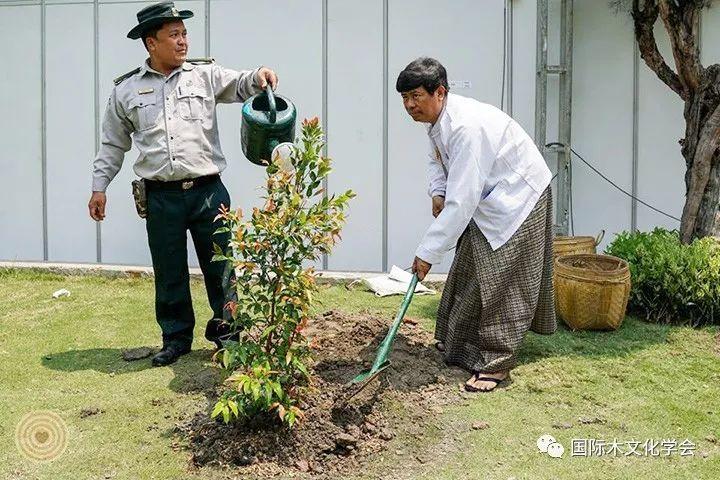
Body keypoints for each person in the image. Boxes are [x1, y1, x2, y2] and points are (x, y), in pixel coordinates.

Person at [87, 1, 278, 366]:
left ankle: (229, 337)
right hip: (161, 197)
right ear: (151, 43)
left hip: (209, 192)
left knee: (221, 268)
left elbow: (240, 84)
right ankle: (175, 339)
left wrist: (259, 76)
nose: (183, 41)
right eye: (173, 35)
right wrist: (100, 187)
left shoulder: (204, 75)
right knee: (169, 270)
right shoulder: (126, 90)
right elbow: (112, 144)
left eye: (184, 33)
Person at [397, 57, 556, 392]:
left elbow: (462, 201)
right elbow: (436, 160)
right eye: (405, 98)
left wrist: (427, 253)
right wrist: (437, 191)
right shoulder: (437, 121)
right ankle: (459, 343)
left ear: (440, 92)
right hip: (489, 197)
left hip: (519, 197)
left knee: (502, 280)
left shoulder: (467, 128)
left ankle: (497, 364)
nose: (409, 105)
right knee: (469, 267)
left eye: (416, 96)